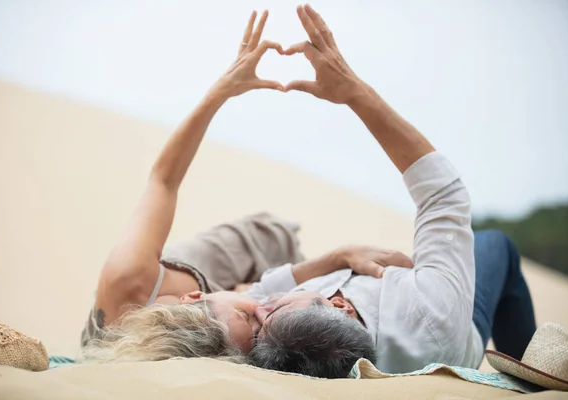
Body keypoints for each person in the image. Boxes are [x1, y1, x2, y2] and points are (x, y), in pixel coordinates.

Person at [78, 10, 408, 364]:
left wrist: (222, 90)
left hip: (247, 248)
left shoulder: (128, 278)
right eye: (253, 334)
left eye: (248, 318)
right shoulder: (218, 349)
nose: (261, 317)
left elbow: (163, 179)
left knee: (273, 235)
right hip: (232, 297)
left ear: (193, 297)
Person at [246, 4, 537, 379]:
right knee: (497, 244)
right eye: (271, 311)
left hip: (405, 295)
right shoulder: (434, 313)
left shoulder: (291, 342)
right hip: (457, 325)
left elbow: (257, 294)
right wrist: (355, 93)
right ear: (339, 305)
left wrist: (338, 256)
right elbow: (443, 193)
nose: (258, 309)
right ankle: (533, 376)